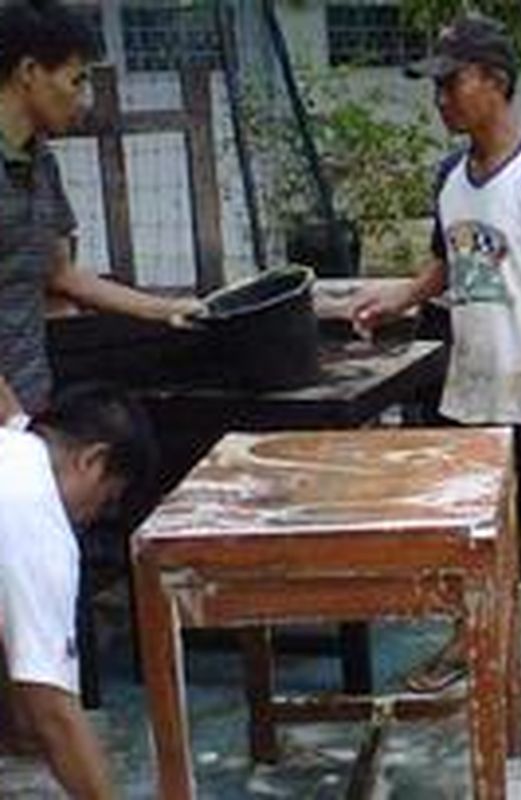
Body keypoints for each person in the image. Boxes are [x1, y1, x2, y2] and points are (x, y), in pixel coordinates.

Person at [349, 14, 521, 695]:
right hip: (474, 382)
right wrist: (397, 298)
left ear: (495, 82)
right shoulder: (449, 176)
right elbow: (445, 264)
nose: (441, 100)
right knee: (476, 521)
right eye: (438, 87)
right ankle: (473, 631)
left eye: (451, 84)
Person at [0, 1, 200, 425]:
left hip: (27, 397)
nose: (83, 100)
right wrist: (15, 426)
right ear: (30, 72)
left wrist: (169, 310)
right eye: (76, 80)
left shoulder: (39, 161)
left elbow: (61, 274)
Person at [0, 384, 159, 799]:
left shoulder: (14, 447)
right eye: (106, 499)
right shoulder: (35, 511)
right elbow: (54, 713)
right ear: (93, 460)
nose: (92, 517)